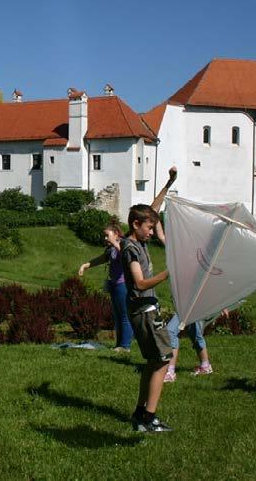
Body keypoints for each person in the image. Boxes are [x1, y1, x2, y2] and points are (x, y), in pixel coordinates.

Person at [122, 165, 178, 432]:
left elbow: (152, 210)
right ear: (135, 225)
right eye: (149, 228)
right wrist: (169, 272)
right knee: (163, 359)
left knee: (155, 361)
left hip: (146, 308)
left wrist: (168, 184)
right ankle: (148, 418)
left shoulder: (139, 239)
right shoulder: (131, 248)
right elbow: (140, 282)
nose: (152, 233)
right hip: (143, 310)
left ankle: (140, 412)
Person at [78, 222, 133, 352]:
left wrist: (115, 243)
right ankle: (119, 345)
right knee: (117, 315)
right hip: (113, 284)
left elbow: (126, 256)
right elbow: (101, 259)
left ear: (116, 235)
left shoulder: (124, 245)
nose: (105, 238)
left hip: (123, 284)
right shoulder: (110, 249)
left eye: (107, 235)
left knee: (125, 315)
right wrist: (86, 265)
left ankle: (125, 346)